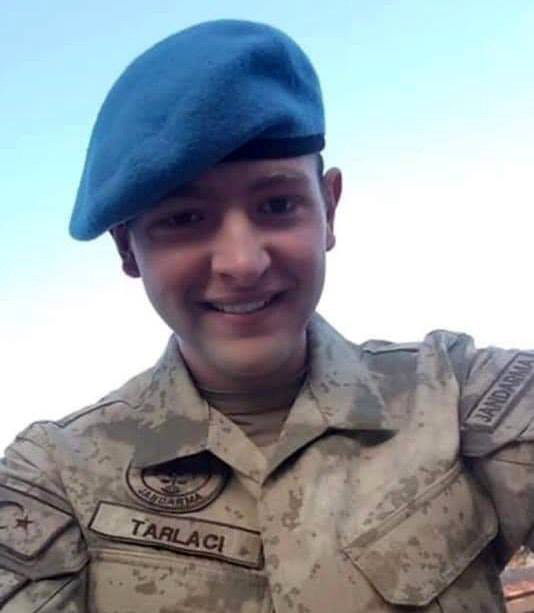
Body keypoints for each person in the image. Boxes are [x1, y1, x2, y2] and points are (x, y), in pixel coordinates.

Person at [0, 18, 532, 613]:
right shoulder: (53, 478)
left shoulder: (458, 395)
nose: (243, 262)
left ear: (328, 209)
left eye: (277, 205)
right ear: (128, 250)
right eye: (184, 219)